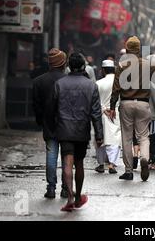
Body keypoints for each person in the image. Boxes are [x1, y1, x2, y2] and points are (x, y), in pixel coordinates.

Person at [54, 53, 104, 211]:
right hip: (82, 129)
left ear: (69, 66)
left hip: (64, 128)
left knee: (67, 163)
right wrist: (99, 134)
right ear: (83, 66)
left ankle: (69, 197)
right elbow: (96, 113)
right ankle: (77, 197)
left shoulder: (59, 83)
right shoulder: (91, 85)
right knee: (79, 164)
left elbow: (52, 108)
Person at [108, 36, 154, 182]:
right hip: (143, 104)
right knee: (143, 136)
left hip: (126, 104)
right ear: (139, 49)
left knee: (127, 138)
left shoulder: (122, 65)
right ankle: (145, 158)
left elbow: (116, 88)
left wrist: (112, 106)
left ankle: (128, 171)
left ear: (127, 49)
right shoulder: (148, 65)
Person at [32, 48, 68, 199]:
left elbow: (36, 105)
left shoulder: (39, 81)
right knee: (67, 157)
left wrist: (41, 121)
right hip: (67, 125)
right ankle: (66, 188)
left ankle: (51, 188)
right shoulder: (69, 80)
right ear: (63, 63)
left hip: (49, 124)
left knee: (51, 156)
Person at [95, 60, 121, 174]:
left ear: (103, 70)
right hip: (116, 113)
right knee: (115, 138)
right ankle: (112, 164)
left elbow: (95, 100)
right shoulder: (120, 82)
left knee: (100, 138)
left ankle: (101, 164)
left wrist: (103, 109)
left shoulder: (98, 83)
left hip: (101, 113)